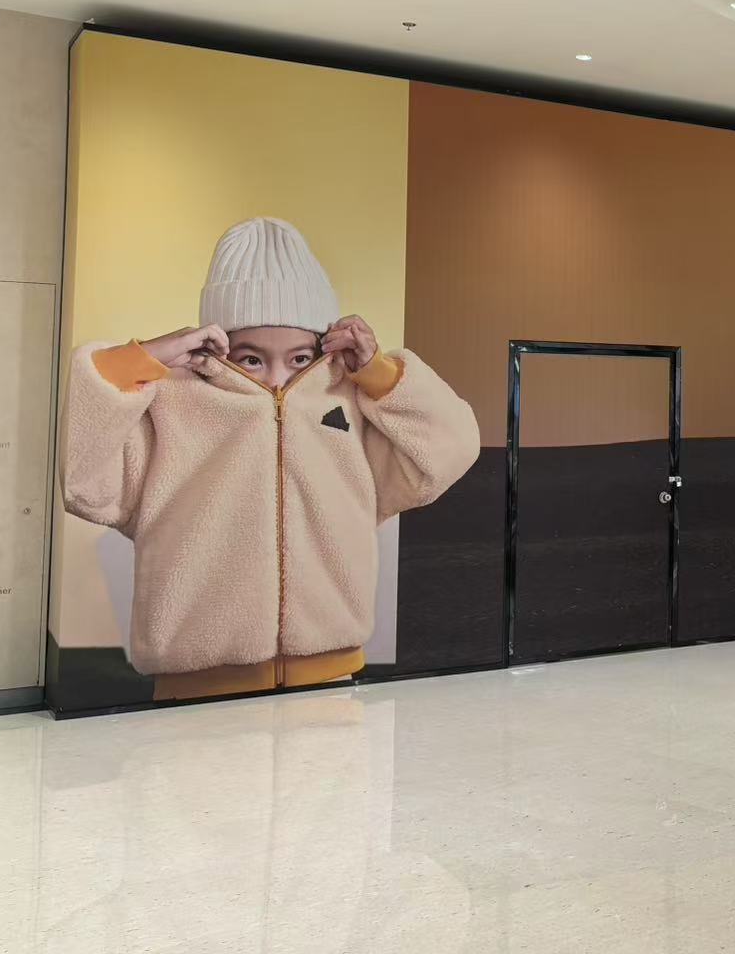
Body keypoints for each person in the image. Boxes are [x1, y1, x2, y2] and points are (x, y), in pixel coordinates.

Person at [63, 217, 480, 701]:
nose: (277, 380)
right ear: (215, 345)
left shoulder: (350, 400)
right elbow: (82, 481)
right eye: (251, 359)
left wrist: (380, 372)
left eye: (300, 358)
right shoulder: (171, 404)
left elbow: (452, 447)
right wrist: (139, 361)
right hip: (196, 690)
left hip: (330, 682)